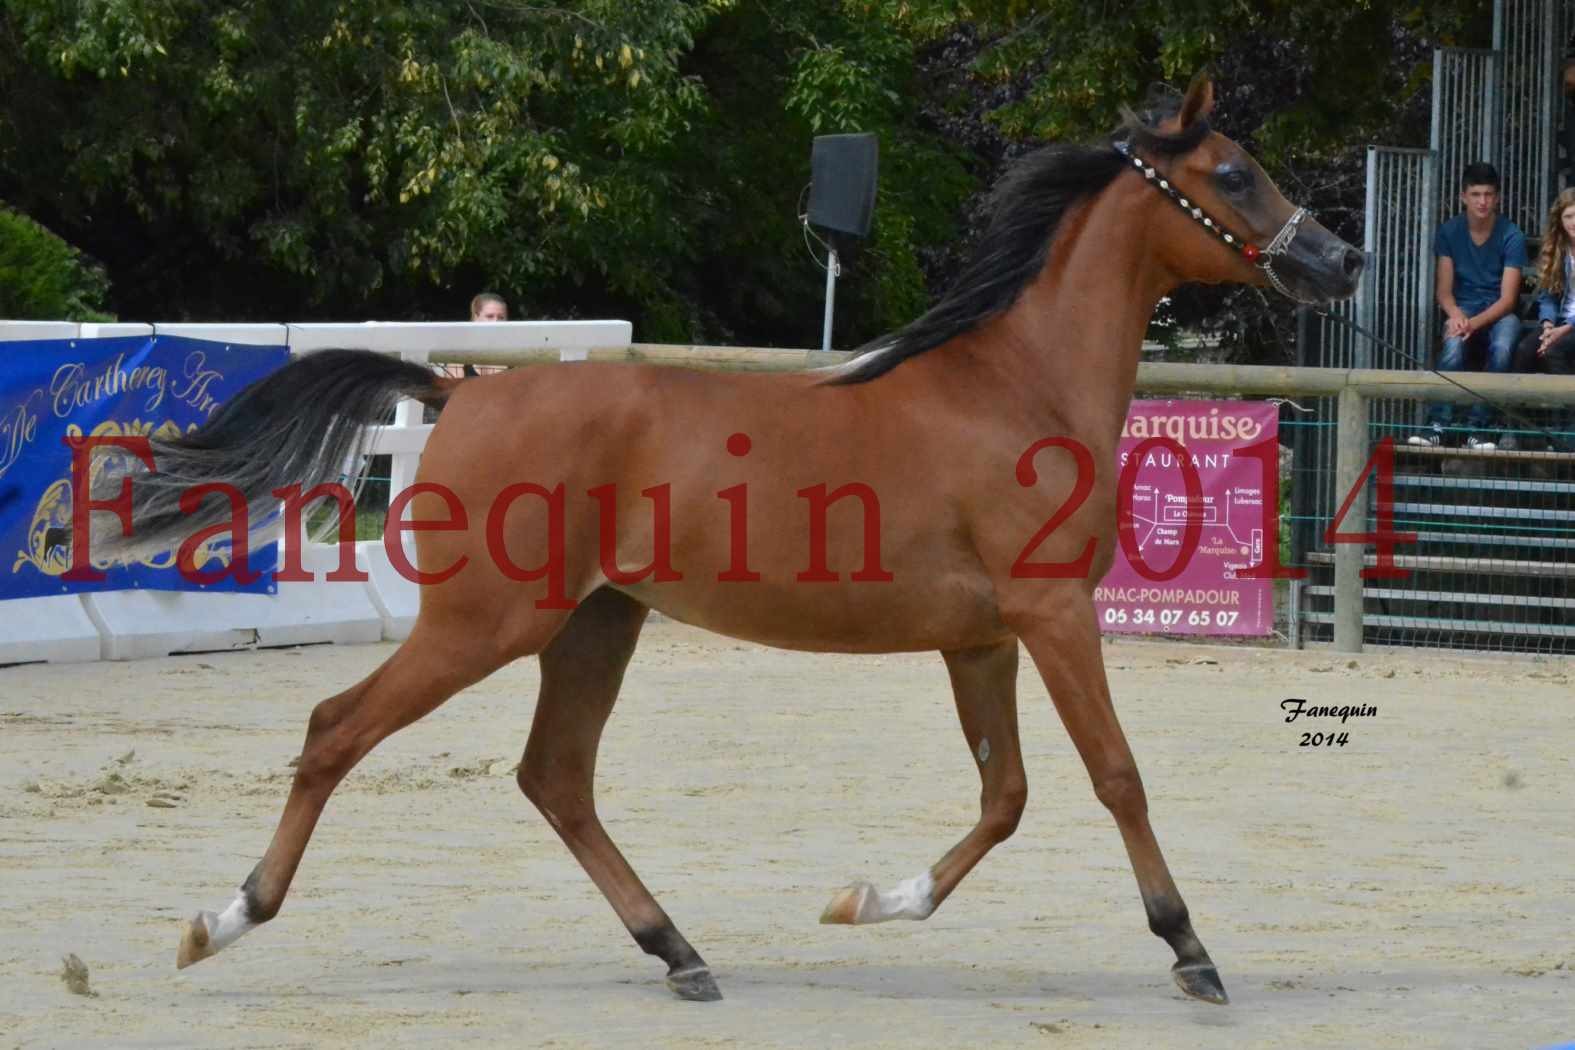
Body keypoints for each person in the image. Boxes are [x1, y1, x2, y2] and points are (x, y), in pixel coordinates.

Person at [1408, 162, 1527, 451]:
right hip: (1463, 309)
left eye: (1488, 194)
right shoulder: (1449, 232)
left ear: (1497, 197)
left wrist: (1472, 323)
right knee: (1452, 344)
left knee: (1503, 344)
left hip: (1498, 312)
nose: (1482, 201)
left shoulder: (1512, 235)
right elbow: (1444, 291)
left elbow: (1508, 299)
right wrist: (1458, 316)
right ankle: (1438, 425)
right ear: (1463, 197)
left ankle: (1480, 428)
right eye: (1475, 194)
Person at [1513, 188, 1575, 451]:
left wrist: (1563, 330)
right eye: (1569, 216)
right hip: (1560, 323)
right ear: (1560, 221)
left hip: (1572, 325)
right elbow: (1548, 297)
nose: (1574, 222)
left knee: (1554, 350)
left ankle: (1567, 435)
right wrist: (1548, 325)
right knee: (1524, 350)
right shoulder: (1558, 250)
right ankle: (1524, 435)